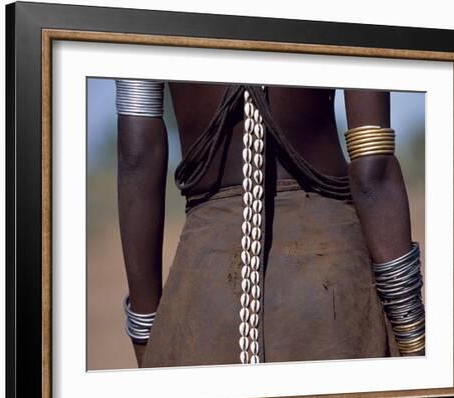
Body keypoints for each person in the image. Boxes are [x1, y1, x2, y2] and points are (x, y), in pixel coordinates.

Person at [115, 80, 425, 368]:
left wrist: (149, 344)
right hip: (331, 281)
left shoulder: (147, 20)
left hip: (204, 291)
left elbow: (137, 156)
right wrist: (412, 338)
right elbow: (373, 172)